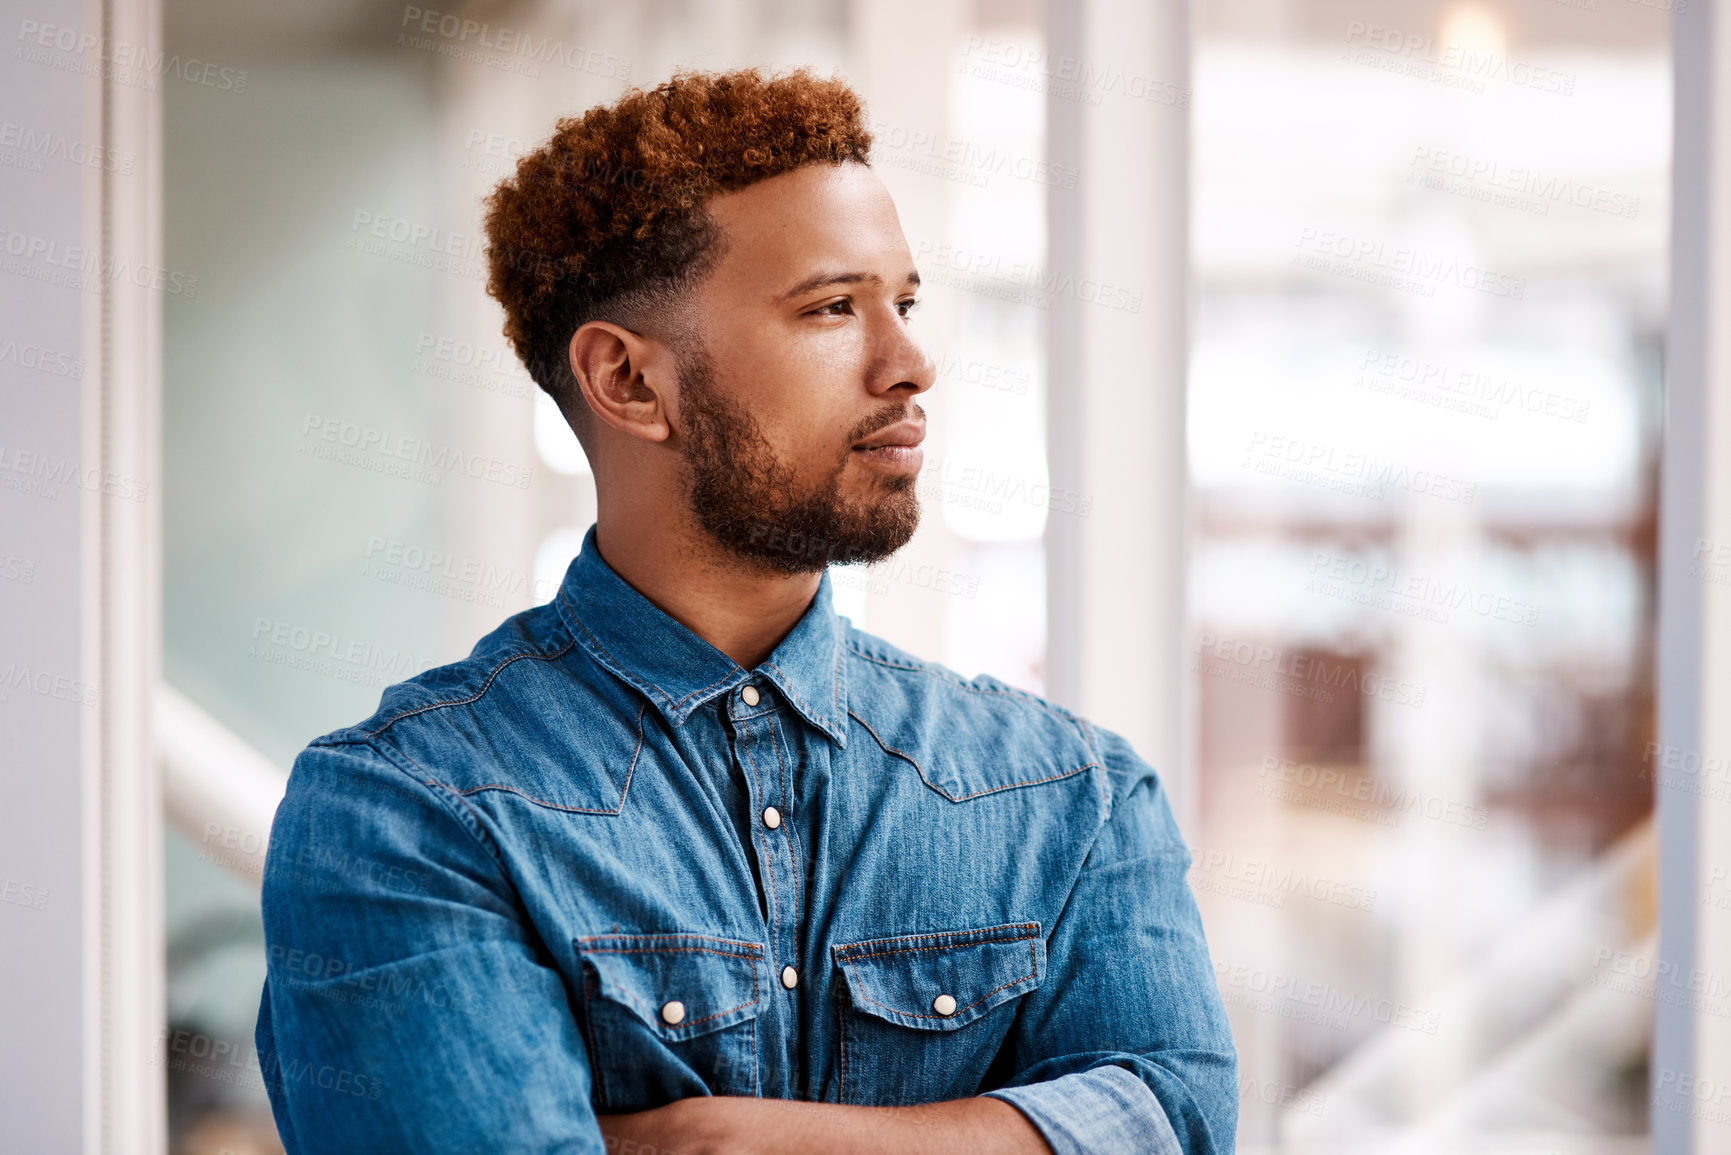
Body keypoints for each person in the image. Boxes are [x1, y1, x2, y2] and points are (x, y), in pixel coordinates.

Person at [256, 67, 1236, 1155]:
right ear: (628, 382)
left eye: (903, 304)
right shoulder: (406, 812)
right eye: (831, 308)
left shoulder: (1071, 795)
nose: (911, 364)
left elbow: (1177, 1116)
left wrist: (712, 1141)